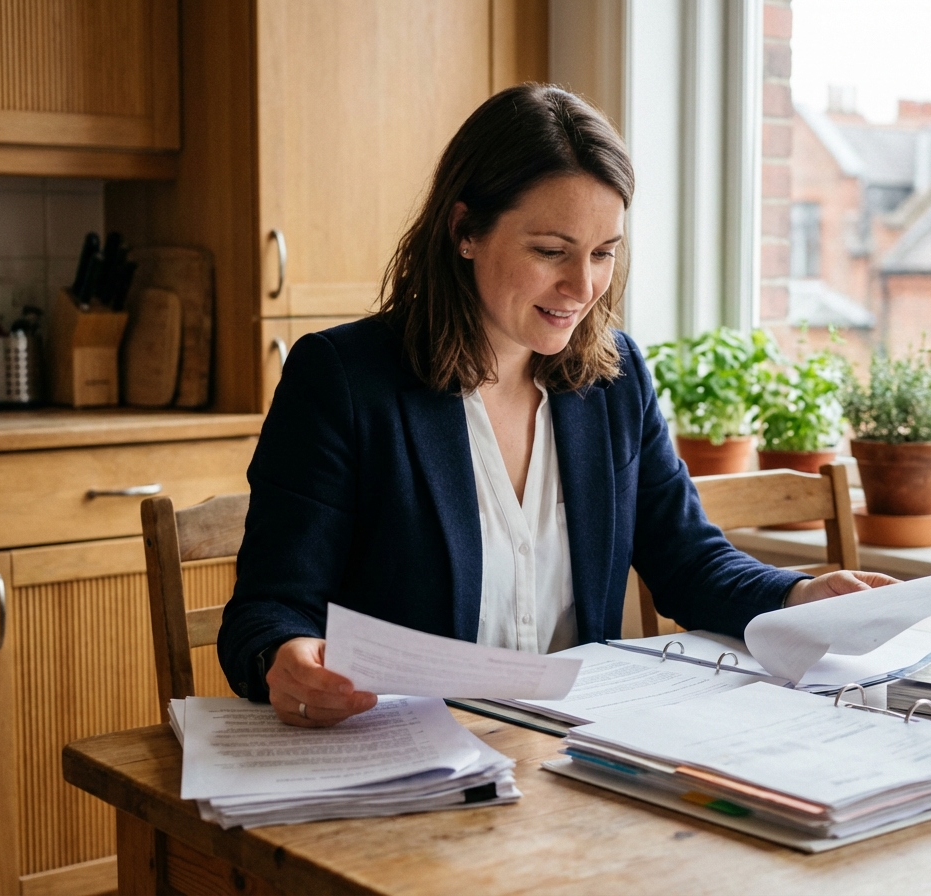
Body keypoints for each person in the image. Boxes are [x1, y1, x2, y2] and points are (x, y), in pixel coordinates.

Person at [217, 84, 895, 728]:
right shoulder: (343, 380)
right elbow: (270, 607)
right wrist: (285, 659)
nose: (584, 286)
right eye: (551, 251)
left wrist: (800, 595)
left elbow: (686, 561)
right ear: (465, 230)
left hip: (571, 755)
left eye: (604, 253)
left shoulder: (615, 380)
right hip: (409, 759)